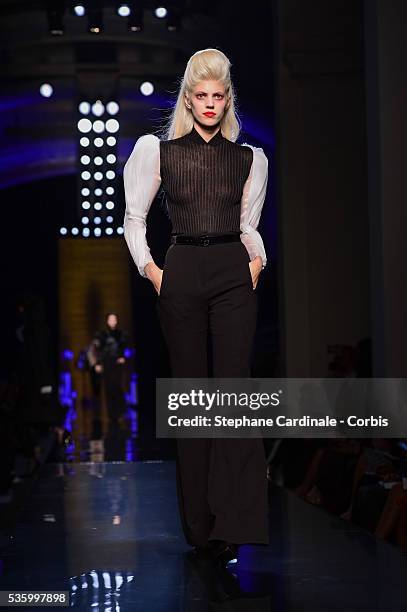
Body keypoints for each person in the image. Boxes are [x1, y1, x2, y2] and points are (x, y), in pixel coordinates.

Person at [123, 48, 269, 566]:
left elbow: (249, 224)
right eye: (201, 95)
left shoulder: (249, 158)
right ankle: (201, 529)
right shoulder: (159, 152)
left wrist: (256, 262)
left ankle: (234, 524)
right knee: (190, 399)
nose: (210, 103)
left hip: (233, 270)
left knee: (233, 396)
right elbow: (133, 220)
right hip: (181, 268)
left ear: (227, 99)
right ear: (189, 99)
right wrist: (154, 271)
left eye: (218, 95)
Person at [90, 313, 128, 425]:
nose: (112, 322)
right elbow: (96, 349)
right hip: (107, 364)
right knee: (108, 389)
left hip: (117, 365)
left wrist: (122, 357)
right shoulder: (102, 335)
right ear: (107, 321)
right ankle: (112, 415)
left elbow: (124, 347)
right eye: (110, 320)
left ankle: (119, 413)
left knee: (117, 388)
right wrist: (97, 363)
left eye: (114, 320)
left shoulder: (121, 334)